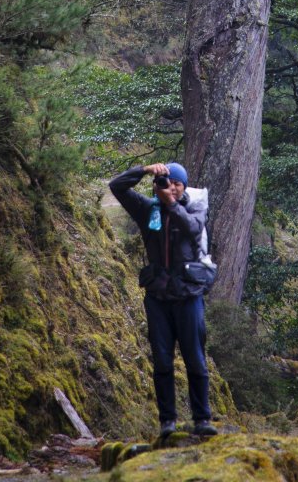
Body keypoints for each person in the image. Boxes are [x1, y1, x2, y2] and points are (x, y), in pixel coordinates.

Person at [108, 161, 218, 439]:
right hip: (157, 297)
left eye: (177, 184)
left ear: (184, 185)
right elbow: (116, 186)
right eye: (167, 183)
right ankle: (167, 422)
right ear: (157, 186)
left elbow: (193, 229)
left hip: (188, 297)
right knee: (163, 362)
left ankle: (202, 419)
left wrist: (172, 205)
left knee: (194, 358)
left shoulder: (194, 207)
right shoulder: (147, 210)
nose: (172, 188)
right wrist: (144, 171)